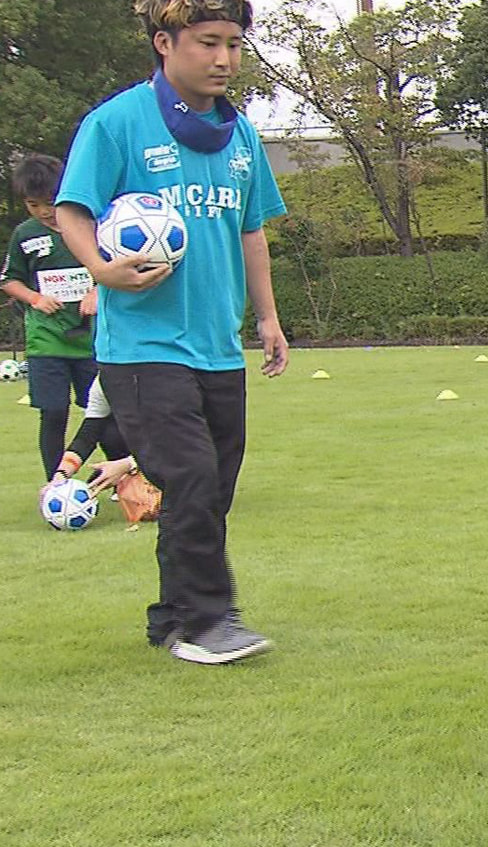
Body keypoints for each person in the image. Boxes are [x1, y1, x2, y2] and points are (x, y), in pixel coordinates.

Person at [56, 0, 289, 665]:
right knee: (188, 474)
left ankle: (171, 617)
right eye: (208, 42)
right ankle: (210, 621)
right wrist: (104, 268)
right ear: (165, 41)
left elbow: (252, 231)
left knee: (212, 486)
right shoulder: (116, 123)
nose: (224, 59)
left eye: (235, 45)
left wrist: (267, 318)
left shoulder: (239, 136)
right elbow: (73, 210)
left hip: (217, 345)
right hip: (142, 348)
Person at [0, 154, 99, 482]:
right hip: (47, 342)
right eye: (33, 204)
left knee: (104, 412)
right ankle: (56, 486)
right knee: (53, 412)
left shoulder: (91, 224)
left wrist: (97, 290)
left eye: (50, 202)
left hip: (94, 341)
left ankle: (126, 481)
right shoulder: (25, 235)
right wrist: (36, 298)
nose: (44, 211)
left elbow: (118, 265)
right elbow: (9, 279)